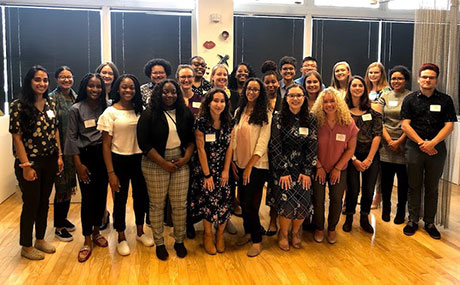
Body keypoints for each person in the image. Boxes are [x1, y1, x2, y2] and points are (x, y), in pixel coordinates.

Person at [10, 65, 64, 260]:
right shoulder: (18, 105)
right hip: (30, 162)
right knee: (31, 203)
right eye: (37, 80)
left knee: (44, 201)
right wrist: (26, 166)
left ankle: (40, 239)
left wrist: (59, 156)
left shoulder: (50, 104)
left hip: (50, 159)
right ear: (29, 82)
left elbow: (55, 131)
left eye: (45, 80)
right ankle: (26, 245)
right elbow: (17, 137)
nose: (42, 83)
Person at [137, 79, 195, 260]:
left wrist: (186, 158)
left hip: (180, 162)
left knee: (179, 205)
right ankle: (160, 243)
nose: (169, 95)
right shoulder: (149, 114)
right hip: (155, 163)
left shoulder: (185, 112)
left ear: (178, 94)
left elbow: (192, 139)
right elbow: (144, 144)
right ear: (158, 93)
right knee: (157, 205)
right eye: (165, 92)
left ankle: (179, 240)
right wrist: (163, 163)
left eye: (173, 92)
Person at [98, 74, 153, 256]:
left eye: (131, 87)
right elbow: (106, 145)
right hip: (118, 160)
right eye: (124, 87)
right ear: (118, 89)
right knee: (120, 201)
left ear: (136, 90)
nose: (128, 90)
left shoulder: (141, 110)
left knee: (141, 198)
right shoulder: (110, 113)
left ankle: (139, 232)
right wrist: (110, 172)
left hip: (139, 160)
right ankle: (121, 236)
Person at [401, 63, 457, 239]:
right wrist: (421, 143)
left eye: (431, 77)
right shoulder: (409, 99)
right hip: (415, 148)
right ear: (418, 79)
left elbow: (449, 126)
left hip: (437, 149)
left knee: (432, 187)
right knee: (414, 185)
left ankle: (430, 222)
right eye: (424, 77)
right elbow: (405, 124)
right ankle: (413, 220)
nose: (427, 80)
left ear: (436, 80)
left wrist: (432, 143)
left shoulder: (445, 100)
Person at [65, 73, 108, 262]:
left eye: (98, 86)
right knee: (88, 199)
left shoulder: (106, 107)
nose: (95, 89)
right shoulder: (76, 109)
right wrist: (78, 165)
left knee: (101, 197)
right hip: (86, 158)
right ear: (85, 87)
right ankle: (87, 239)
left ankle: (97, 231)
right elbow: (71, 137)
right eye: (91, 86)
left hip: (105, 156)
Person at [269, 84, 317, 251]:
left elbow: (312, 145)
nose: (295, 99)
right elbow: (275, 146)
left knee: (303, 203)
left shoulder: (311, 119)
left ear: (304, 98)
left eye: (299, 95)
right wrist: (283, 171)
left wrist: (307, 172)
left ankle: (295, 232)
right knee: (287, 202)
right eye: (292, 95)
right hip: (283, 168)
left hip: (303, 169)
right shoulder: (278, 118)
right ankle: (283, 233)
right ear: (286, 98)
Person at [311, 87, 358, 244]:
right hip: (318, 167)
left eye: (332, 101)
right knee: (317, 199)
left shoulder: (348, 122)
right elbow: (309, 146)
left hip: (339, 168)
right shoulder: (315, 121)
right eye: (325, 102)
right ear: (321, 104)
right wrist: (318, 167)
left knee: (337, 199)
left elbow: (351, 149)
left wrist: (338, 168)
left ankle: (331, 229)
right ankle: (318, 227)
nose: (329, 104)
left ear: (338, 103)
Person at [191, 88, 234, 255]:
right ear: (208, 102)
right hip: (205, 169)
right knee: (207, 202)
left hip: (223, 169)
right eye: (215, 100)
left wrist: (225, 170)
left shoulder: (229, 121)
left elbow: (230, 146)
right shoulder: (201, 122)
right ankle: (208, 235)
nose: (219, 104)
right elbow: (200, 149)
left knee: (224, 201)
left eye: (222, 101)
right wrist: (207, 175)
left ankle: (220, 234)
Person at [233, 78, 271, 257]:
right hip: (239, 163)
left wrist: (249, 167)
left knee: (250, 205)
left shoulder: (266, 113)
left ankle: (257, 240)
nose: (252, 92)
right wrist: (234, 161)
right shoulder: (239, 111)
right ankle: (248, 232)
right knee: (243, 201)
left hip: (257, 166)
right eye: (249, 88)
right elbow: (234, 138)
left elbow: (262, 143)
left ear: (260, 92)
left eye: (256, 89)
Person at [342, 76, 382, 234]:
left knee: (368, 188)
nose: (357, 88)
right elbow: (342, 137)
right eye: (354, 85)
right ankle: (349, 217)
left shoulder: (374, 112)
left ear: (365, 89)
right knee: (352, 188)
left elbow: (377, 135)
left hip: (371, 155)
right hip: (350, 156)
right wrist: (354, 159)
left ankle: (364, 217)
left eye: (360, 85)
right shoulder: (343, 112)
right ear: (349, 88)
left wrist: (369, 159)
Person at [376, 65, 411, 224]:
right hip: (386, 145)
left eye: (400, 78)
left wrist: (399, 141)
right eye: (394, 78)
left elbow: (412, 123)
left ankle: (401, 211)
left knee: (403, 183)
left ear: (406, 80)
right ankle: (386, 208)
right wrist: (390, 141)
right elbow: (379, 120)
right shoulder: (385, 96)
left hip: (405, 145)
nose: (396, 81)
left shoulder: (411, 97)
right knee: (386, 181)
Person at [49, 66, 78, 242]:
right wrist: (58, 153)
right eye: (62, 77)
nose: (66, 80)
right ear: (57, 79)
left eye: (68, 76)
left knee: (69, 187)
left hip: (75, 149)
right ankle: (59, 227)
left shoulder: (76, 97)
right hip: (60, 151)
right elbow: (53, 129)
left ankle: (63, 219)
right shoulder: (52, 99)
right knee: (61, 187)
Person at [260, 60, 282, 236]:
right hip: (261, 151)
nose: (270, 85)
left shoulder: (286, 99)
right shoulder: (259, 102)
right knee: (259, 188)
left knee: (275, 188)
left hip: (280, 151)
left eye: (273, 82)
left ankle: (273, 221)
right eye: (267, 82)